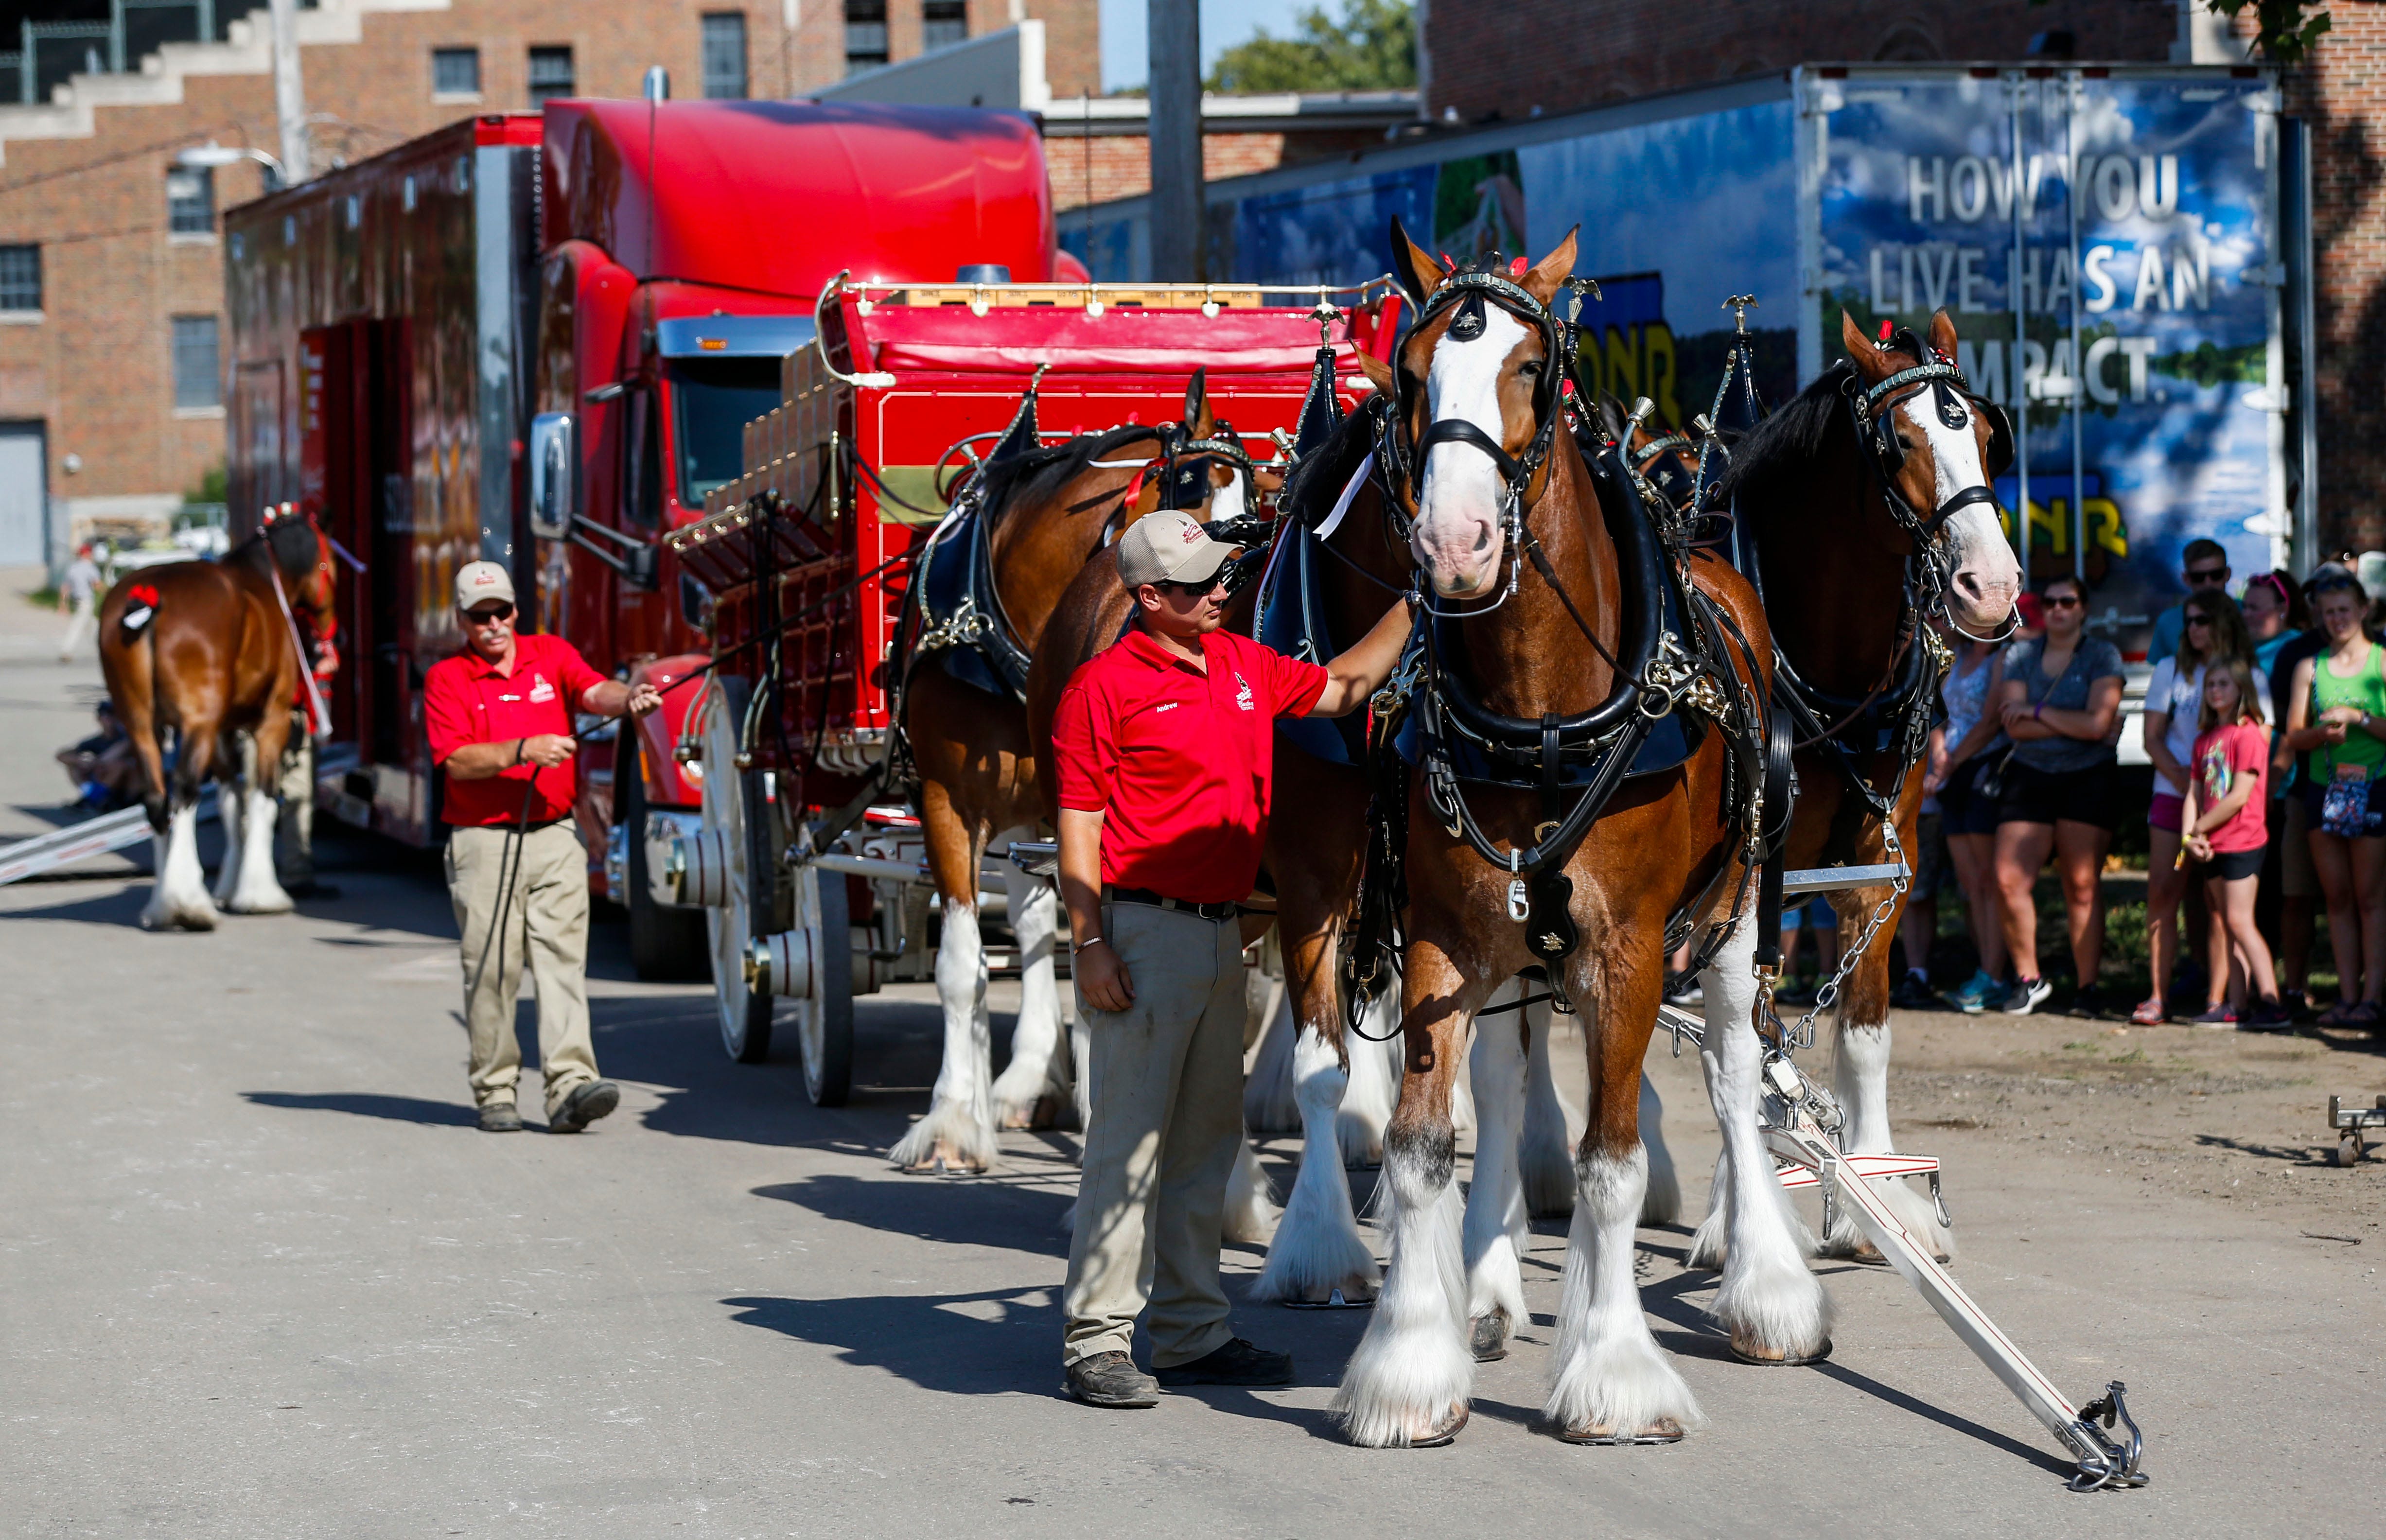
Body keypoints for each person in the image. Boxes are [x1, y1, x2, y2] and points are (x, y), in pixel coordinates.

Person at [1050, 509, 1412, 1410]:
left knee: (1208, 1142)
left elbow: (1343, 686)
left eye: (1220, 576)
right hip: (1141, 935)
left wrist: (1422, 597)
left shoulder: (1243, 663)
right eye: (1198, 583)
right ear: (1146, 598)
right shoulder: (1100, 689)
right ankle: (1096, 1337)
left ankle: (1183, 1330)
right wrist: (1088, 941)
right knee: (1127, 1145)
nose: (1220, 589)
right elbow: (1078, 832)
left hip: (1224, 933)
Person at [422, 560, 660, 1133]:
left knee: (561, 965)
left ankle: (570, 1086)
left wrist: (629, 697)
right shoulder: (447, 679)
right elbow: (455, 760)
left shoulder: (550, 654)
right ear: (462, 620)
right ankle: (496, 1090)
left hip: (554, 835)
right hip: (483, 843)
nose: (493, 625)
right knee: (493, 970)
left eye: (501, 612)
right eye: (480, 617)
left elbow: (592, 690)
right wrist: (522, 748)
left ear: (515, 611)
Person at [1991, 574, 2125, 1015]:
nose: (2057, 609)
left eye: (2067, 601)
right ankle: (2029, 979)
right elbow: (2015, 726)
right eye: (2049, 602)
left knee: (2082, 884)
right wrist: (2069, 721)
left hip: (2088, 777)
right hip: (2030, 773)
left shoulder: (2102, 654)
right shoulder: (2021, 654)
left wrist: (2039, 710)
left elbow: (2098, 726)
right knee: (2008, 879)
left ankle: (2088, 988)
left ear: (2084, 608)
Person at [2134, 593, 2265, 1024]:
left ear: (2224, 621)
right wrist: (2190, 790)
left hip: (2227, 809)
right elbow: (2152, 738)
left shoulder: (2248, 673)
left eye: (2203, 620)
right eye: (2189, 621)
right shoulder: (2170, 670)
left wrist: (2212, 807)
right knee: (2163, 893)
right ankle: (2157, 996)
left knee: (2218, 907)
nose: (2193, 628)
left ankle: (2218, 1000)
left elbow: (2259, 744)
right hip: (2177, 796)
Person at [2282, 569, 2386, 1029]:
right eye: (2329, 613)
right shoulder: (2310, 666)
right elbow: (2293, 736)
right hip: (2325, 790)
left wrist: (2359, 717)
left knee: (2371, 898)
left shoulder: (2383, 662)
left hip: (2376, 786)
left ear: (2363, 610)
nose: (2338, 619)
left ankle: (2373, 998)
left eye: (2345, 610)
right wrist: (2320, 733)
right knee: (2337, 898)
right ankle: (2345, 999)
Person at [2181, 660, 2287, 1028]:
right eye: (2210, 684)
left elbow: (2240, 795)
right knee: (2228, 922)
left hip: (2243, 841)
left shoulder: (2249, 735)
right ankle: (2237, 1005)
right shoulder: (2205, 740)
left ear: (2242, 688)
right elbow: (2193, 795)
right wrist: (2189, 838)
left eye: (2224, 683)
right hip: (2211, 843)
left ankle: (2273, 1003)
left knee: (2241, 921)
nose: (2215, 691)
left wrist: (2199, 830)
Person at [1932, 626, 2010, 1013]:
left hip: (1982, 767)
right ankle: (1986, 969)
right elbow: (1939, 714)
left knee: (1987, 881)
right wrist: (1941, 756)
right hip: (1952, 772)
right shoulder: (1957, 656)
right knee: (1970, 884)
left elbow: (1991, 721)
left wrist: (1950, 763)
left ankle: (1995, 974)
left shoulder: (2002, 657)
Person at [2145, 537, 2233, 668]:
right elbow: (2160, 672)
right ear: (2186, 579)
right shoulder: (2168, 621)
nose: (2208, 584)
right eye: (2199, 578)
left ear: (2227, 574)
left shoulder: (2247, 613)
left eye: (2216, 575)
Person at [56, 545, 101, 662]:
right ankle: (66, 650)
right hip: (86, 601)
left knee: (93, 626)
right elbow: (97, 585)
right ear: (87, 554)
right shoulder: (90, 568)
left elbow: (65, 588)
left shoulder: (73, 568)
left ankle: (103, 648)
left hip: (76, 601)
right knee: (77, 626)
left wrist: (63, 604)